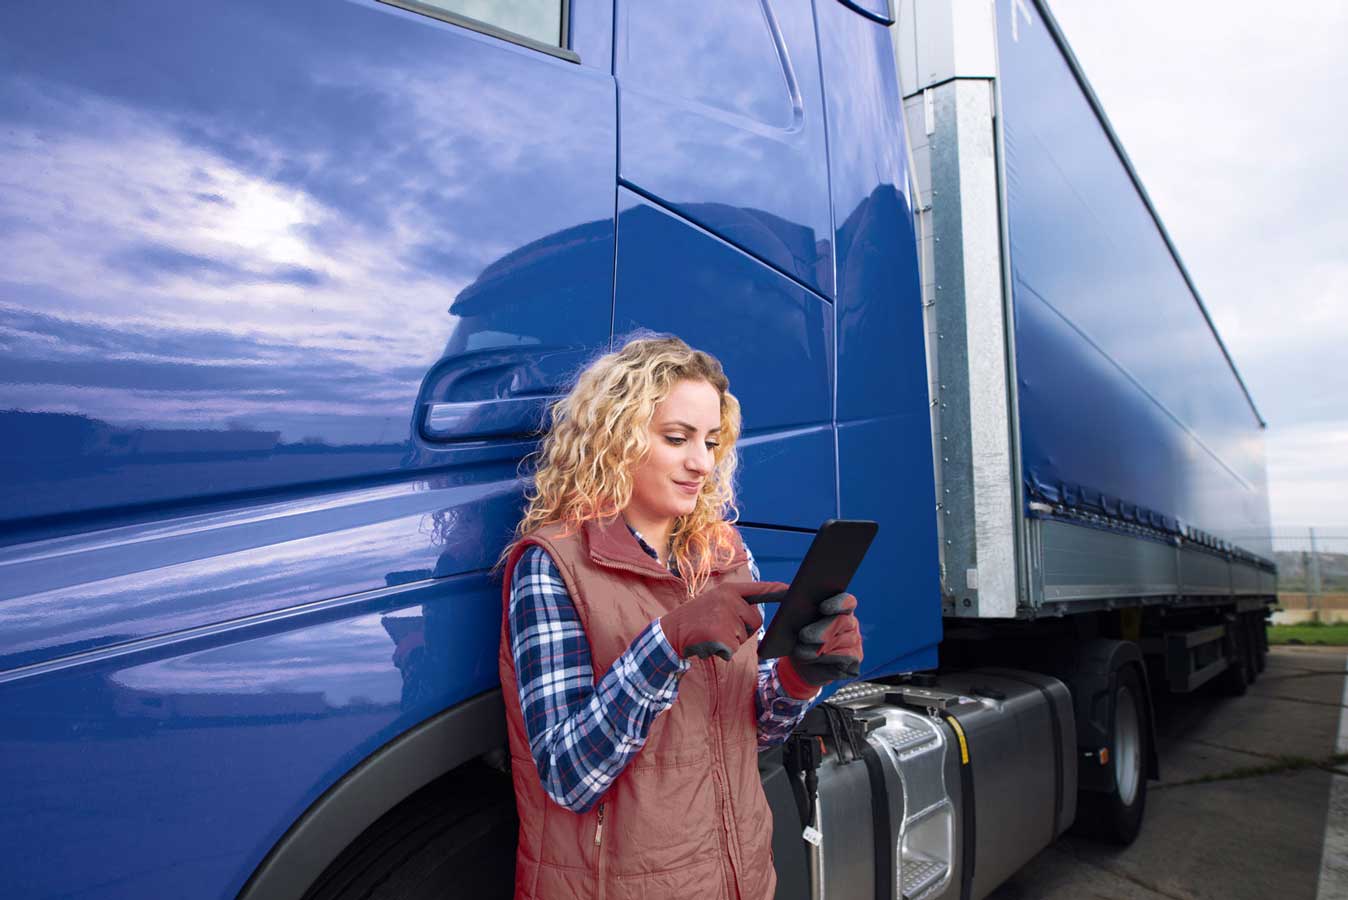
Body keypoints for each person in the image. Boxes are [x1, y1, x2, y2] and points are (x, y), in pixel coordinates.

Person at [497, 335, 864, 900]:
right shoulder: (553, 565)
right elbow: (568, 777)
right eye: (677, 438)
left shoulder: (725, 555)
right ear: (614, 439)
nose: (701, 461)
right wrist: (665, 645)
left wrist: (798, 677)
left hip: (739, 879)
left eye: (712, 441)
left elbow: (750, 734)